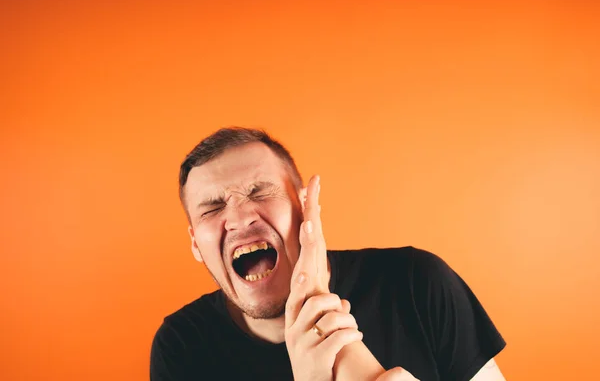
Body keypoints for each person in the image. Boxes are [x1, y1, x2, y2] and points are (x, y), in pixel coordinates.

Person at [150, 127, 507, 381]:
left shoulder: (416, 282)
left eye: (259, 192)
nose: (240, 218)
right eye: (212, 208)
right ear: (197, 244)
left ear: (304, 206)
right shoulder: (182, 347)